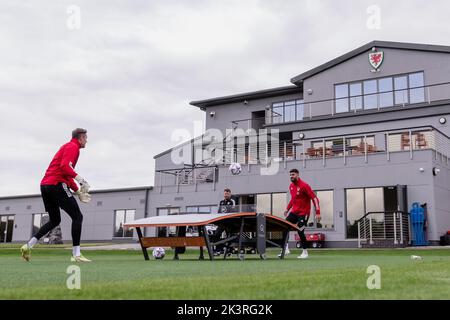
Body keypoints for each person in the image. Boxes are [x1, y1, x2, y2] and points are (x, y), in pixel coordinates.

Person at [20, 128, 92, 262]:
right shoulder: (73, 147)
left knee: (55, 220)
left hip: (45, 186)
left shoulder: (66, 146)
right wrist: (81, 180)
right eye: (86, 138)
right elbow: (65, 167)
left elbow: (66, 172)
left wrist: (77, 192)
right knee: (77, 216)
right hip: (56, 184)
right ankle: (76, 254)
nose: (87, 141)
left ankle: (28, 245)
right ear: (80, 137)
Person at [280, 168, 320, 259]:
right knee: (284, 226)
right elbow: (293, 199)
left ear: (298, 175)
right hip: (294, 212)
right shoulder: (291, 186)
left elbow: (314, 198)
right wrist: (287, 209)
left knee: (300, 230)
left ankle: (305, 252)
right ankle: (286, 249)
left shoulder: (304, 186)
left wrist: (318, 212)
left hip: (304, 213)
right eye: (290, 175)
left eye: (293, 174)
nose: (291, 176)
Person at [213, 188, 239, 255]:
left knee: (229, 236)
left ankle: (229, 250)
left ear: (230, 194)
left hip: (229, 223)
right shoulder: (221, 202)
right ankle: (218, 250)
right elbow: (219, 212)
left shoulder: (232, 201)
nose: (226, 195)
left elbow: (234, 210)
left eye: (227, 193)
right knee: (216, 235)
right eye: (225, 193)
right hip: (222, 222)